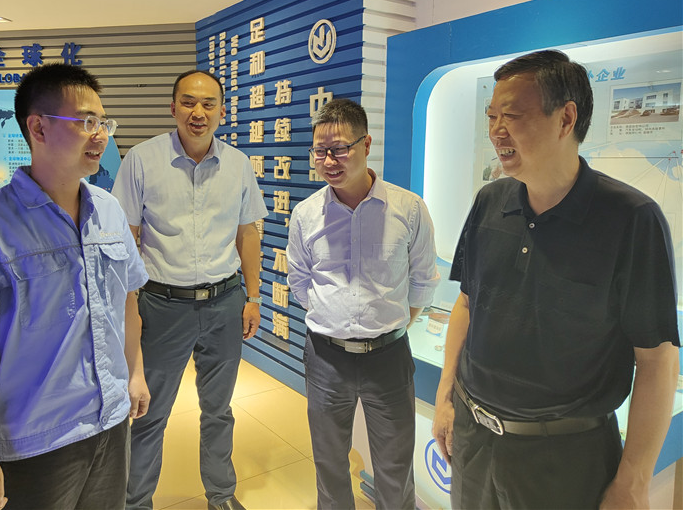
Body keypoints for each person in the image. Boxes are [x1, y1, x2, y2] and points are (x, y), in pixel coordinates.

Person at [432, 50, 680, 509]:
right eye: (491, 116)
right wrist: (446, 393)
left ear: (566, 118)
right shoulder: (490, 200)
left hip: (565, 458)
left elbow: (657, 360)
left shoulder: (631, 219)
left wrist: (633, 482)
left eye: (512, 116)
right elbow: (467, 302)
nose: (496, 130)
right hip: (473, 441)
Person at [0, 63, 151, 510]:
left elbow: (127, 300)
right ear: (38, 128)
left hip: (110, 420)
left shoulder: (109, 210)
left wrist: (135, 372)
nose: (101, 135)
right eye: (86, 122)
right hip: (36, 440)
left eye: (104, 122)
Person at [112, 69, 267, 510]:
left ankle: (221, 494)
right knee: (149, 412)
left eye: (208, 104)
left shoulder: (237, 164)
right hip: (163, 305)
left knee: (219, 409)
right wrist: (130, 308)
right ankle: (136, 502)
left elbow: (248, 233)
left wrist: (253, 296)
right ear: (173, 107)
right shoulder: (142, 160)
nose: (198, 112)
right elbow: (126, 238)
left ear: (222, 111)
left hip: (225, 302)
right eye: (188, 102)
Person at [287, 99, 440, 509]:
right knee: (330, 463)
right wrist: (333, 318)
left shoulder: (408, 209)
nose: (328, 161)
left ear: (366, 144)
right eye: (320, 151)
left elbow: (423, 280)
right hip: (325, 357)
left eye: (339, 149)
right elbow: (299, 280)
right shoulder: (306, 214)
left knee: (395, 465)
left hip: (388, 357)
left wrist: (390, 325)